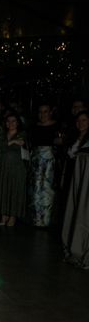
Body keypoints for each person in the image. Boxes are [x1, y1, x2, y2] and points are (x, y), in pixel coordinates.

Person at [62, 111, 89, 269]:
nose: (81, 123)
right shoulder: (76, 138)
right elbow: (71, 154)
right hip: (77, 178)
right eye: (79, 121)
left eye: (84, 120)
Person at [0, 112, 27, 227]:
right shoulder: (2, 134)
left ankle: (13, 216)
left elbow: (21, 145)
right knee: (3, 189)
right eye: (8, 121)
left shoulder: (22, 134)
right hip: (2, 166)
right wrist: (11, 142)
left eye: (13, 121)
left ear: (17, 123)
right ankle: (3, 215)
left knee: (14, 190)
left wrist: (10, 144)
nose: (11, 123)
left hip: (16, 167)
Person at [28, 103, 60, 227]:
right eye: (41, 112)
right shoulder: (34, 127)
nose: (43, 114)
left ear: (50, 112)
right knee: (35, 188)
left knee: (48, 189)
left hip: (50, 162)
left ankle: (47, 220)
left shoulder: (57, 126)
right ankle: (36, 219)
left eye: (46, 111)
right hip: (36, 161)